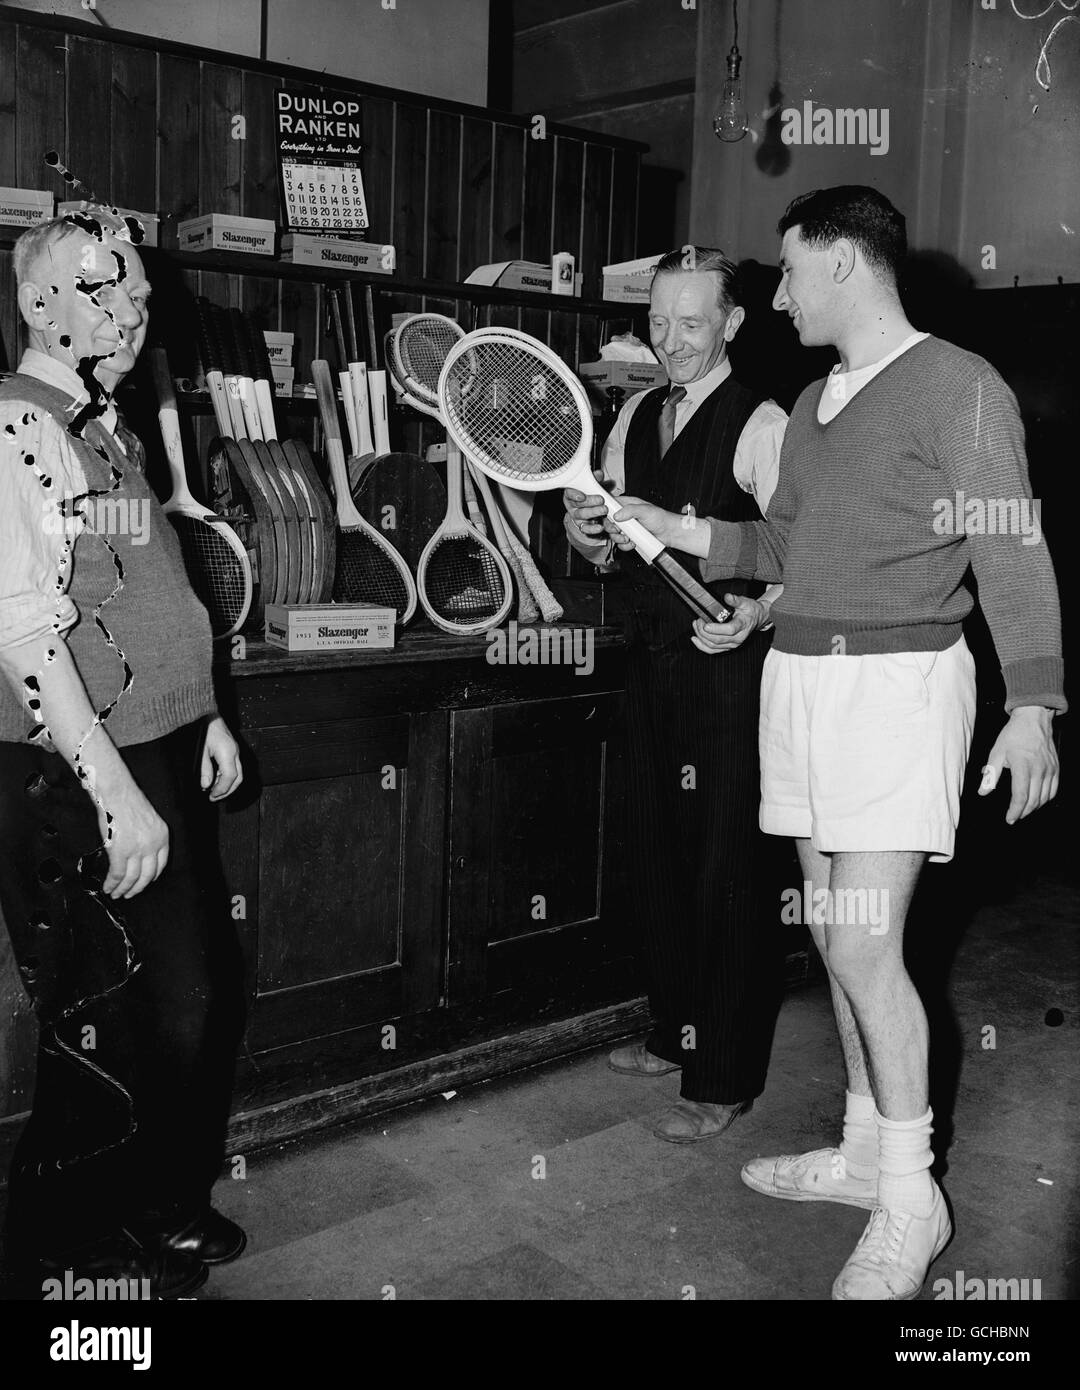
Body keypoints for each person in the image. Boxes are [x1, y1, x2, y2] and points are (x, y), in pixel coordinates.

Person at [610, 187, 1064, 1298]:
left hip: (900, 683)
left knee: (867, 946)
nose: (778, 292)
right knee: (829, 930)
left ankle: (913, 1196)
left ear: (848, 267)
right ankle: (863, 1152)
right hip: (800, 680)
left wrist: (1035, 704)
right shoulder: (813, 400)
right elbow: (783, 539)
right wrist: (685, 535)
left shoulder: (960, 385)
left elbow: (1010, 542)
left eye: (791, 271)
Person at [0, 210, 247, 1299]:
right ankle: (69, 1253)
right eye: (106, 289)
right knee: (103, 1017)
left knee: (187, 1001)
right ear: (40, 307)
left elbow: (137, 587)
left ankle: (160, 1207)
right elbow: (23, 632)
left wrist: (206, 710)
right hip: (80, 767)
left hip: (162, 741)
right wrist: (112, 792)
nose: (134, 310)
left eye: (139, 291)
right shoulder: (19, 425)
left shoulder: (103, 425)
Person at [564, 248, 788, 1142]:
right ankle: (673, 1027)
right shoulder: (634, 416)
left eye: (691, 324)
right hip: (649, 660)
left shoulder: (764, 422)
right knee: (655, 852)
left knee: (726, 871)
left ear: (733, 323)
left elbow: (795, 550)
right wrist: (591, 537)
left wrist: (758, 615)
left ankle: (723, 1075)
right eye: (657, 323)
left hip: (726, 672)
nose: (671, 342)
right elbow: (610, 547)